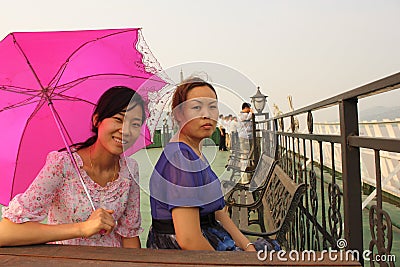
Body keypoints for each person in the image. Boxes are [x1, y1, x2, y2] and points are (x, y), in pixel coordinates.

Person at [0, 86, 144, 248]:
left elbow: (129, 235)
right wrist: (82, 228)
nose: (126, 131)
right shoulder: (62, 165)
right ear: (97, 120)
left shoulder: (130, 169)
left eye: (135, 124)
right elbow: (5, 233)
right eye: (119, 119)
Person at [146, 77, 256, 251]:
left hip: (210, 237)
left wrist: (248, 246)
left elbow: (218, 213)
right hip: (182, 255)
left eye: (212, 106)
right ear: (179, 114)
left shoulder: (193, 152)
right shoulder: (180, 159)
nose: (207, 114)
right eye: (196, 107)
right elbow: (189, 240)